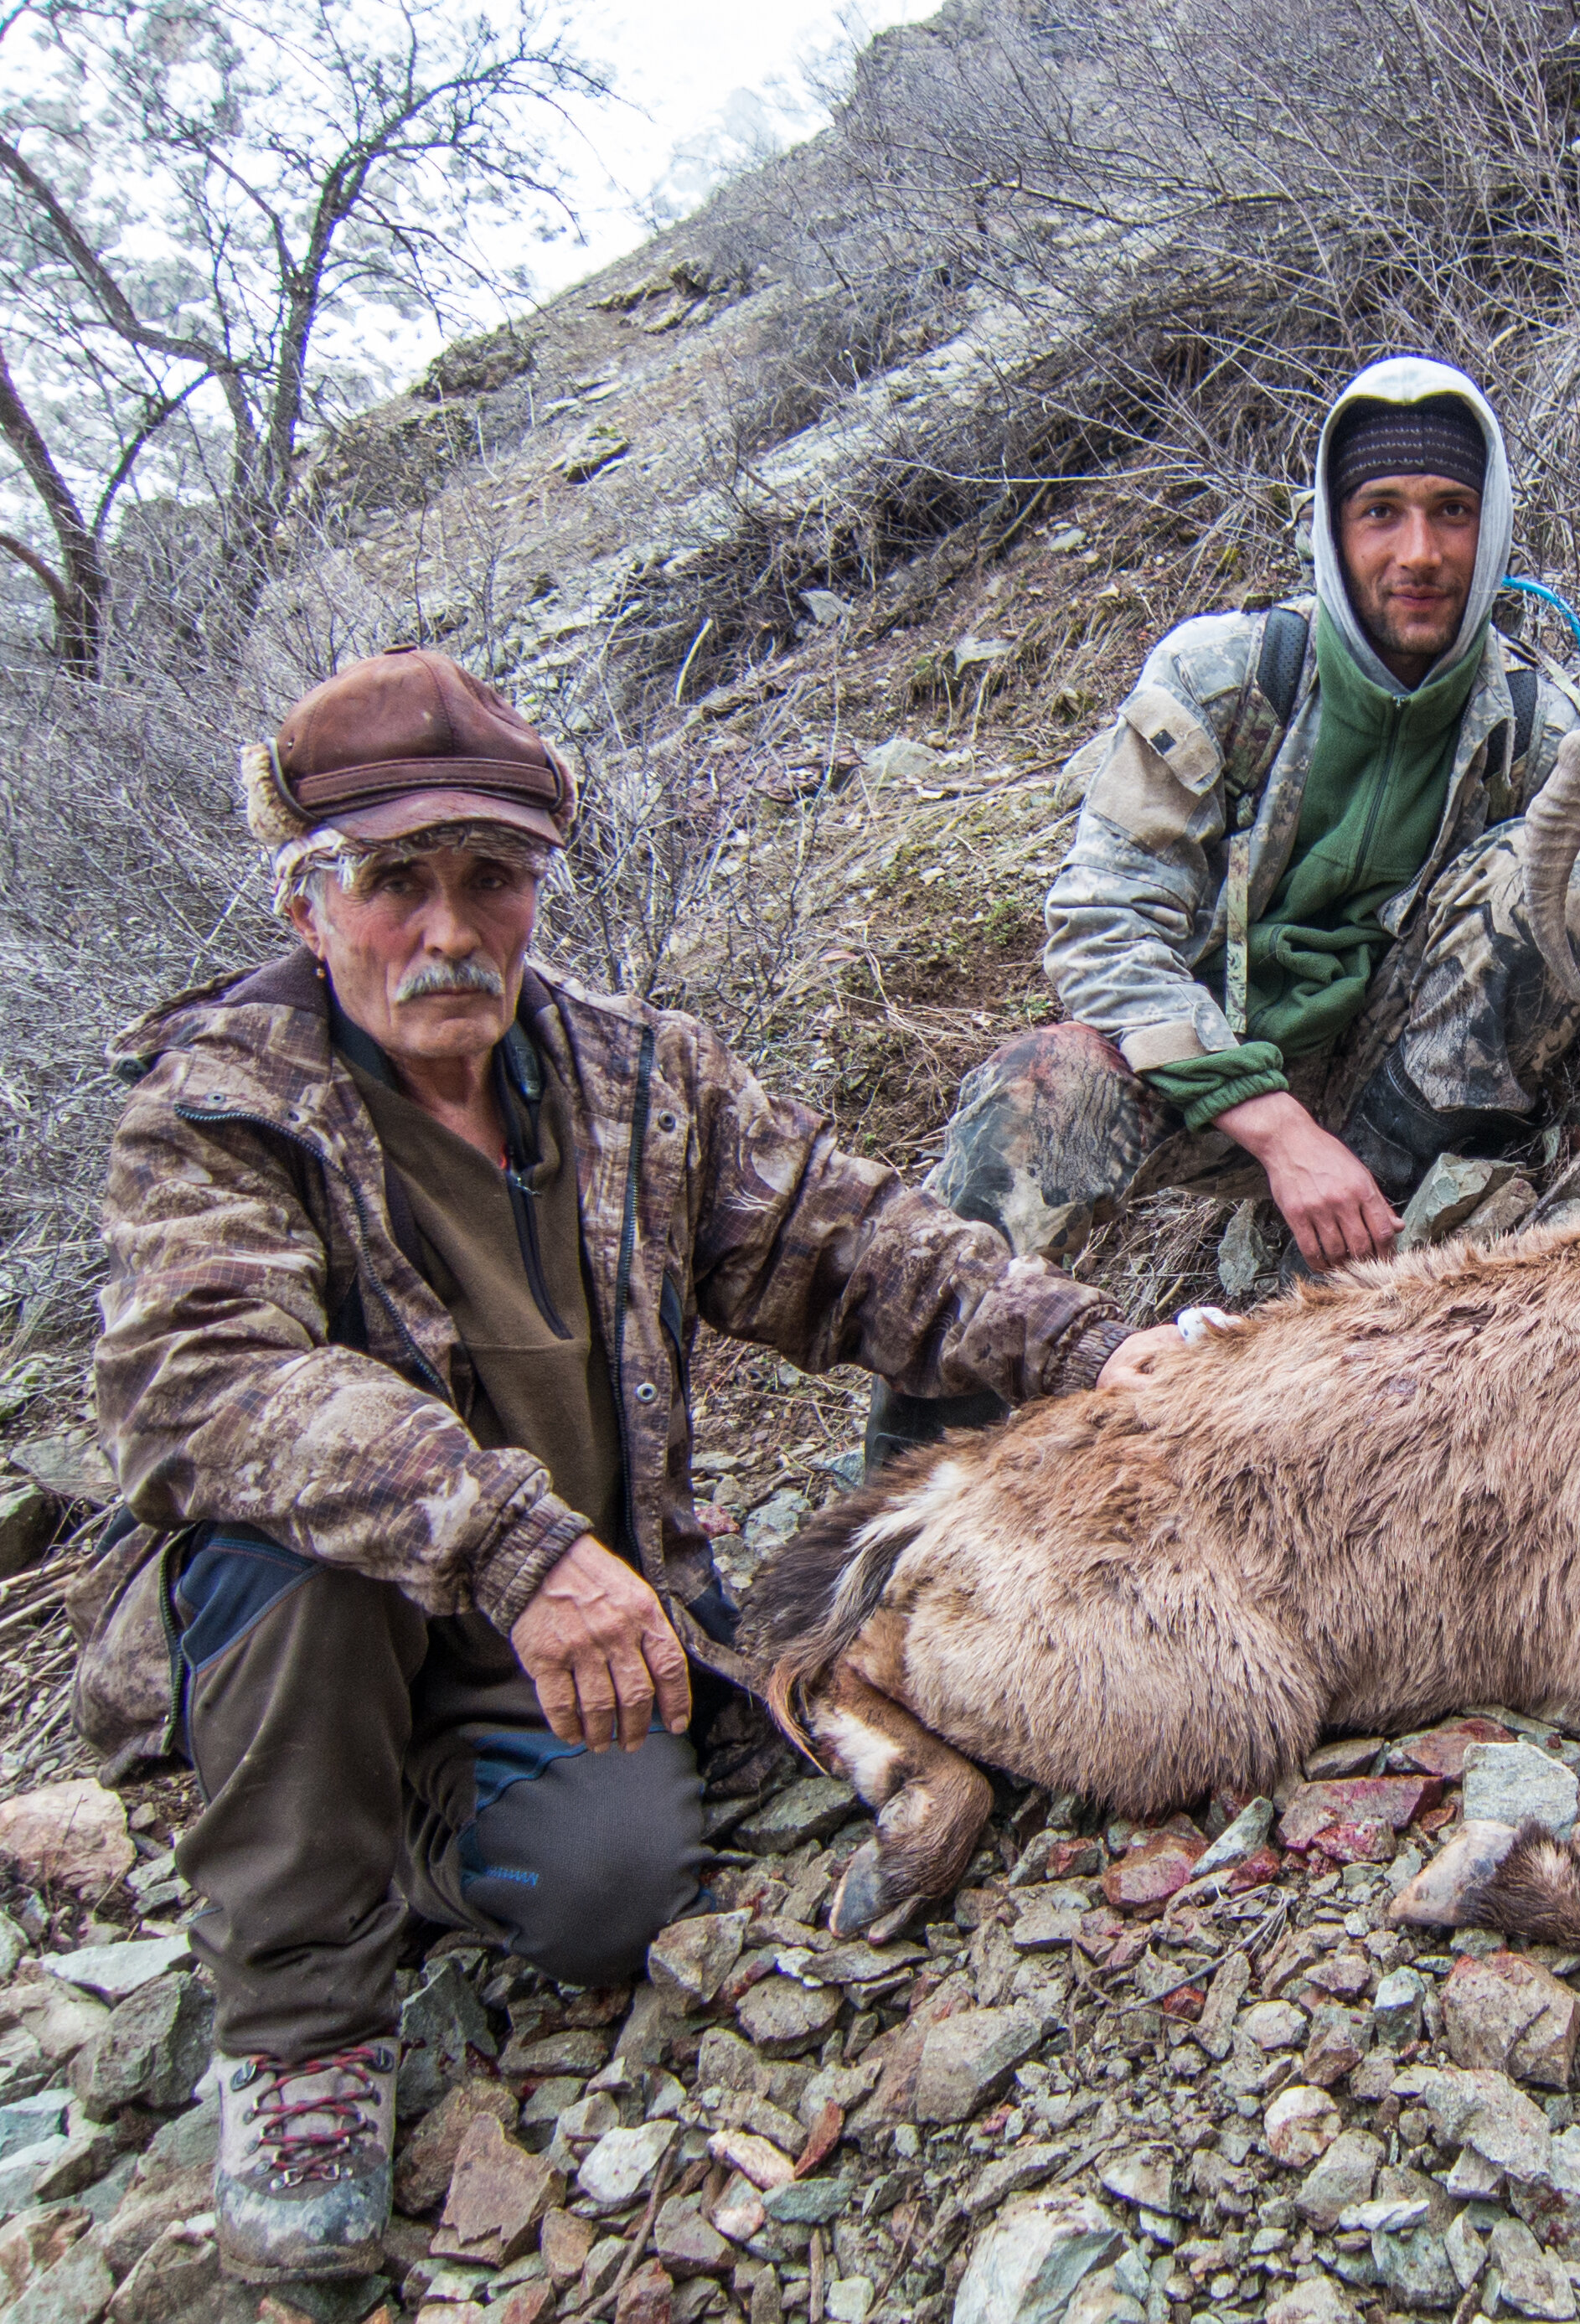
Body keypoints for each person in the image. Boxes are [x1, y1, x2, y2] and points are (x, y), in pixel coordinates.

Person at [80, 648, 1175, 2284]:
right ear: (309, 903)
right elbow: (205, 1380)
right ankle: (299, 2027)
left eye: (489, 879)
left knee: (607, 1896)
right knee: (287, 1538)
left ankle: (371, 1834)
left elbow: (853, 1245)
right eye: (395, 885)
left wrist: (1100, 1350)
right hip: (364, 1618)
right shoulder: (221, 1110)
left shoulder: (635, 1075)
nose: (448, 932)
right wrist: (516, 1550)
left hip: (574, 1638)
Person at [870, 355, 1580, 1458]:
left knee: (1557, 874)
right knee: (1030, 1097)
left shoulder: (1555, 732)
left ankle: (1321, 1327)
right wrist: (1278, 1128)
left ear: (1489, 530)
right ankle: (912, 1482)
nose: (1420, 553)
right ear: (1331, 526)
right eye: (1381, 512)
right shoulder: (1223, 676)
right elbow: (1102, 926)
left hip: (1410, 1110)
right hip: (1209, 1089)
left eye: (1452, 513)